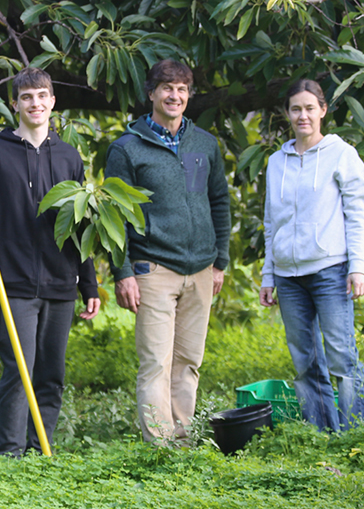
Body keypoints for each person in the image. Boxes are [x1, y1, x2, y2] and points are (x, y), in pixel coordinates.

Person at [0, 67, 101, 456]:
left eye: (42, 96)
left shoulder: (69, 157)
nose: (35, 103)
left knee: (51, 375)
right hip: (11, 281)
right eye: (27, 97)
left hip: (61, 281)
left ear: (53, 102)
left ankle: (40, 448)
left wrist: (89, 285)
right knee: (19, 371)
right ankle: (10, 452)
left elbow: (81, 225)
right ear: (14, 104)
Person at [104, 59, 231, 443]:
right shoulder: (126, 149)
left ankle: (184, 438)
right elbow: (113, 214)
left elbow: (219, 202)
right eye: (167, 88)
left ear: (189, 95)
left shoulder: (204, 144)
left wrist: (220, 261)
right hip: (153, 267)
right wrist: (123, 271)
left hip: (201, 270)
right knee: (156, 363)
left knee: (188, 361)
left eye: (182, 89)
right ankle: (160, 446)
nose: (174, 96)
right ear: (152, 94)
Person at [258, 78, 364, 432]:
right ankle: (321, 433)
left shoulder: (341, 155)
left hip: (330, 271)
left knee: (342, 358)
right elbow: (270, 222)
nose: (303, 115)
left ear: (323, 111)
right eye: (296, 109)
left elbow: (357, 214)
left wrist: (358, 267)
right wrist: (268, 275)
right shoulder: (276, 162)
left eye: (310, 108)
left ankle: (359, 432)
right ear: (287, 114)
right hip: (288, 277)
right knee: (305, 361)